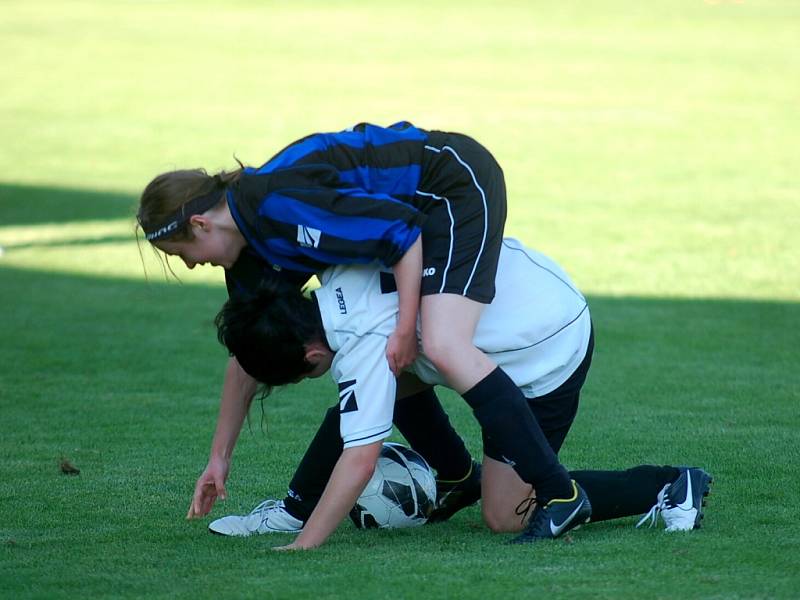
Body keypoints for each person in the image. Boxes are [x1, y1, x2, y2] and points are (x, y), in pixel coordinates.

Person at [137, 121, 591, 544]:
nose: (192, 265)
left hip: (453, 184)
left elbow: (403, 234)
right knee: (399, 362)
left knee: (440, 344)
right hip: (413, 217)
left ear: (200, 224)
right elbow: (249, 351)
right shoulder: (245, 255)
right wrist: (220, 457)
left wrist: (403, 328)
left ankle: (559, 493)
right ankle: (455, 476)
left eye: (182, 255)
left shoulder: (278, 205)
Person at [212, 239, 713, 548]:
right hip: (529, 277)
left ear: (310, 358)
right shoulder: (341, 265)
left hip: (547, 345)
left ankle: (668, 483)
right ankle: (456, 476)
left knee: (503, 515)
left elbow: (359, 456)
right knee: (397, 371)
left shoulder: (360, 344)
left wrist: (306, 541)